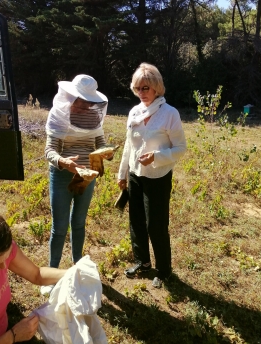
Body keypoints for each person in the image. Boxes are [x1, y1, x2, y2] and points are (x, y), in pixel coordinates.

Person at [117, 63, 187, 288]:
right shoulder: (135, 112)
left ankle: (164, 270)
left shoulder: (169, 114)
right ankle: (143, 261)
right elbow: (129, 145)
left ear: (156, 87)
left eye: (145, 87)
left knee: (155, 225)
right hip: (136, 175)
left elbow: (180, 148)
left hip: (158, 176)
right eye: (137, 88)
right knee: (136, 221)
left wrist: (156, 156)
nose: (141, 93)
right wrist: (122, 173)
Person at [44, 74, 113, 278]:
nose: (84, 108)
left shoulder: (93, 117)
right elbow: (49, 150)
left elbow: (99, 142)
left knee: (79, 222)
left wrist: (106, 152)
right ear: (70, 97)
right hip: (62, 176)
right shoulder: (57, 115)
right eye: (80, 103)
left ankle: (77, 268)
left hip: (87, 176)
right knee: (60, 227)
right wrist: (65, 162)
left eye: (88, 104)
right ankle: (51, 273)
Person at [0, 209, 66, 343]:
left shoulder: (1, 251)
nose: (5, 267)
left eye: (7, 258)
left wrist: (72, 273)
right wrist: (13, 336)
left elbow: (36, 274)